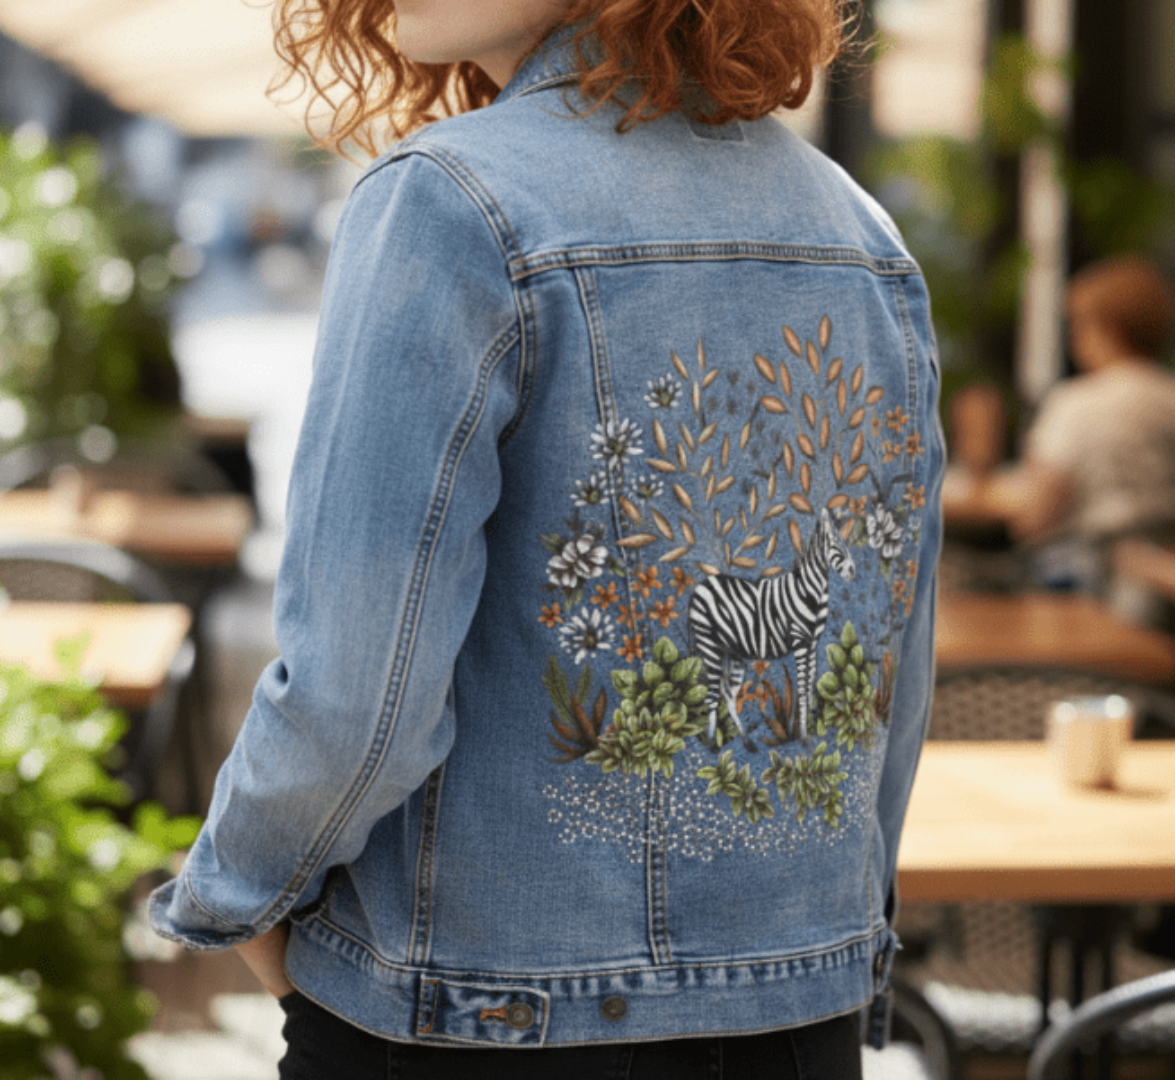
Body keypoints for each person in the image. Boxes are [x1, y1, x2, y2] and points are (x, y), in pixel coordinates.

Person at [149, 1, 944, 1077]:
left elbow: (355, 696)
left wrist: (235, 896)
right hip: (797, 1018)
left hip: (482, 1019)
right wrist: (829, 960)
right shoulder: (861, 233)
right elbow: (889, 675)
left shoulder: (450, 200)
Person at [984, 256, 1175, 548]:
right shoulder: (1168, 398)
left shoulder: (1076, 403)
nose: (1072, 337)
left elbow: (1035, 517)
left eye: (1077, 323)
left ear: (1108, 324)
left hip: (1096, 566)